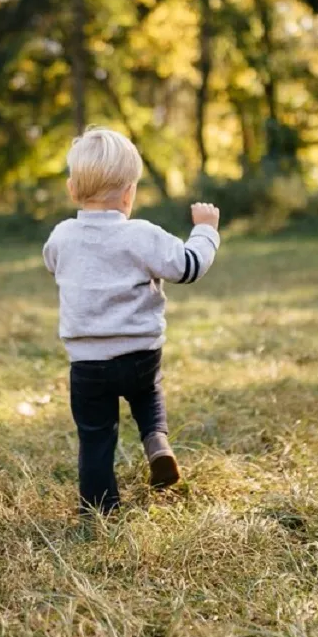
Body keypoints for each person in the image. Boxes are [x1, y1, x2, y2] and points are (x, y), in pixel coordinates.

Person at [43, 128, 222, 515]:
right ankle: (156, 440)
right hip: (141, 354)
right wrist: (206, 230)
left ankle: (99, 509)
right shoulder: (141, 235)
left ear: (73, 190)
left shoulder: (62, 236)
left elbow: (51, 262)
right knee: (147, 393)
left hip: (88, 363)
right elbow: (188, 267)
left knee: (95, 437)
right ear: (129, 194)